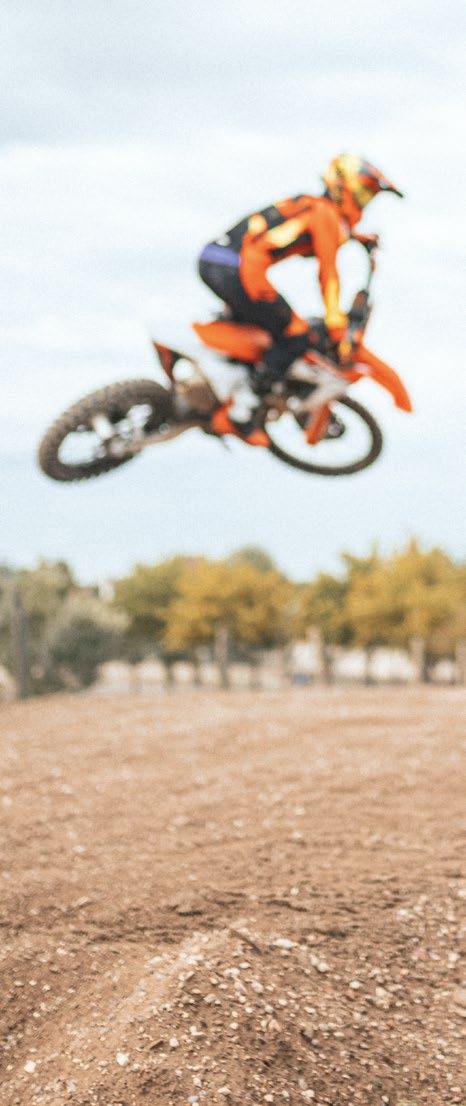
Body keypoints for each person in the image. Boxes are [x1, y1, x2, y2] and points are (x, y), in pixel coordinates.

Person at [198, 154, 403, 444]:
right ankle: (241, 412)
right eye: (362, 194)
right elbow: (328, 274)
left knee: (265, 327)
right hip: (239, 269)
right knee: (296, 334)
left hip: (218, 261)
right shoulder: (325, 214)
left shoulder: (312, 206)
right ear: (342, 186)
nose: (363, 202)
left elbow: (294, 232)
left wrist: (357, 237)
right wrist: (335, 324)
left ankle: (221, 379)